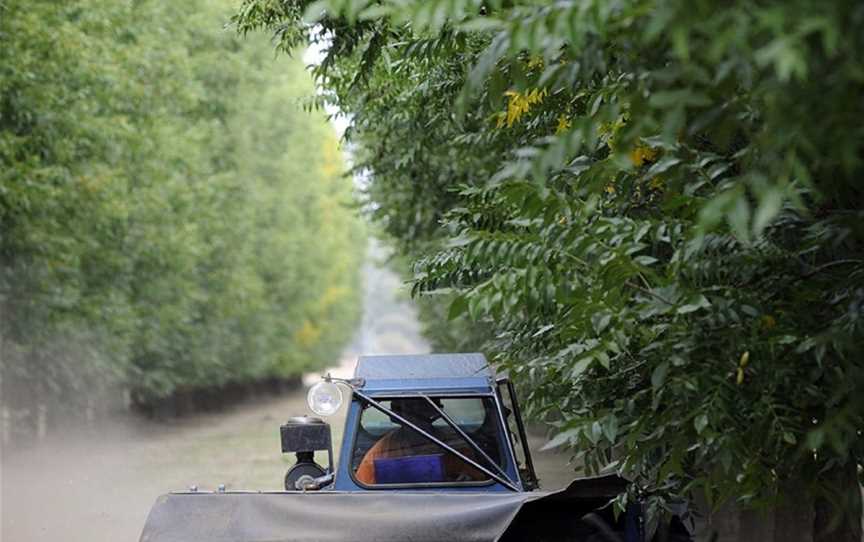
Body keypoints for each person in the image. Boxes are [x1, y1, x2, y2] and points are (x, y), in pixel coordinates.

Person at [355, 398, 485, 485]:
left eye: (420, 408)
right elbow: (362, 493)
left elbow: (481, 486)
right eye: (409, 409)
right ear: (396, 415)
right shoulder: (379, 454)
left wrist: (467, 481)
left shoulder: (457, 449)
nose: (415, 414)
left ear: (434, 411)